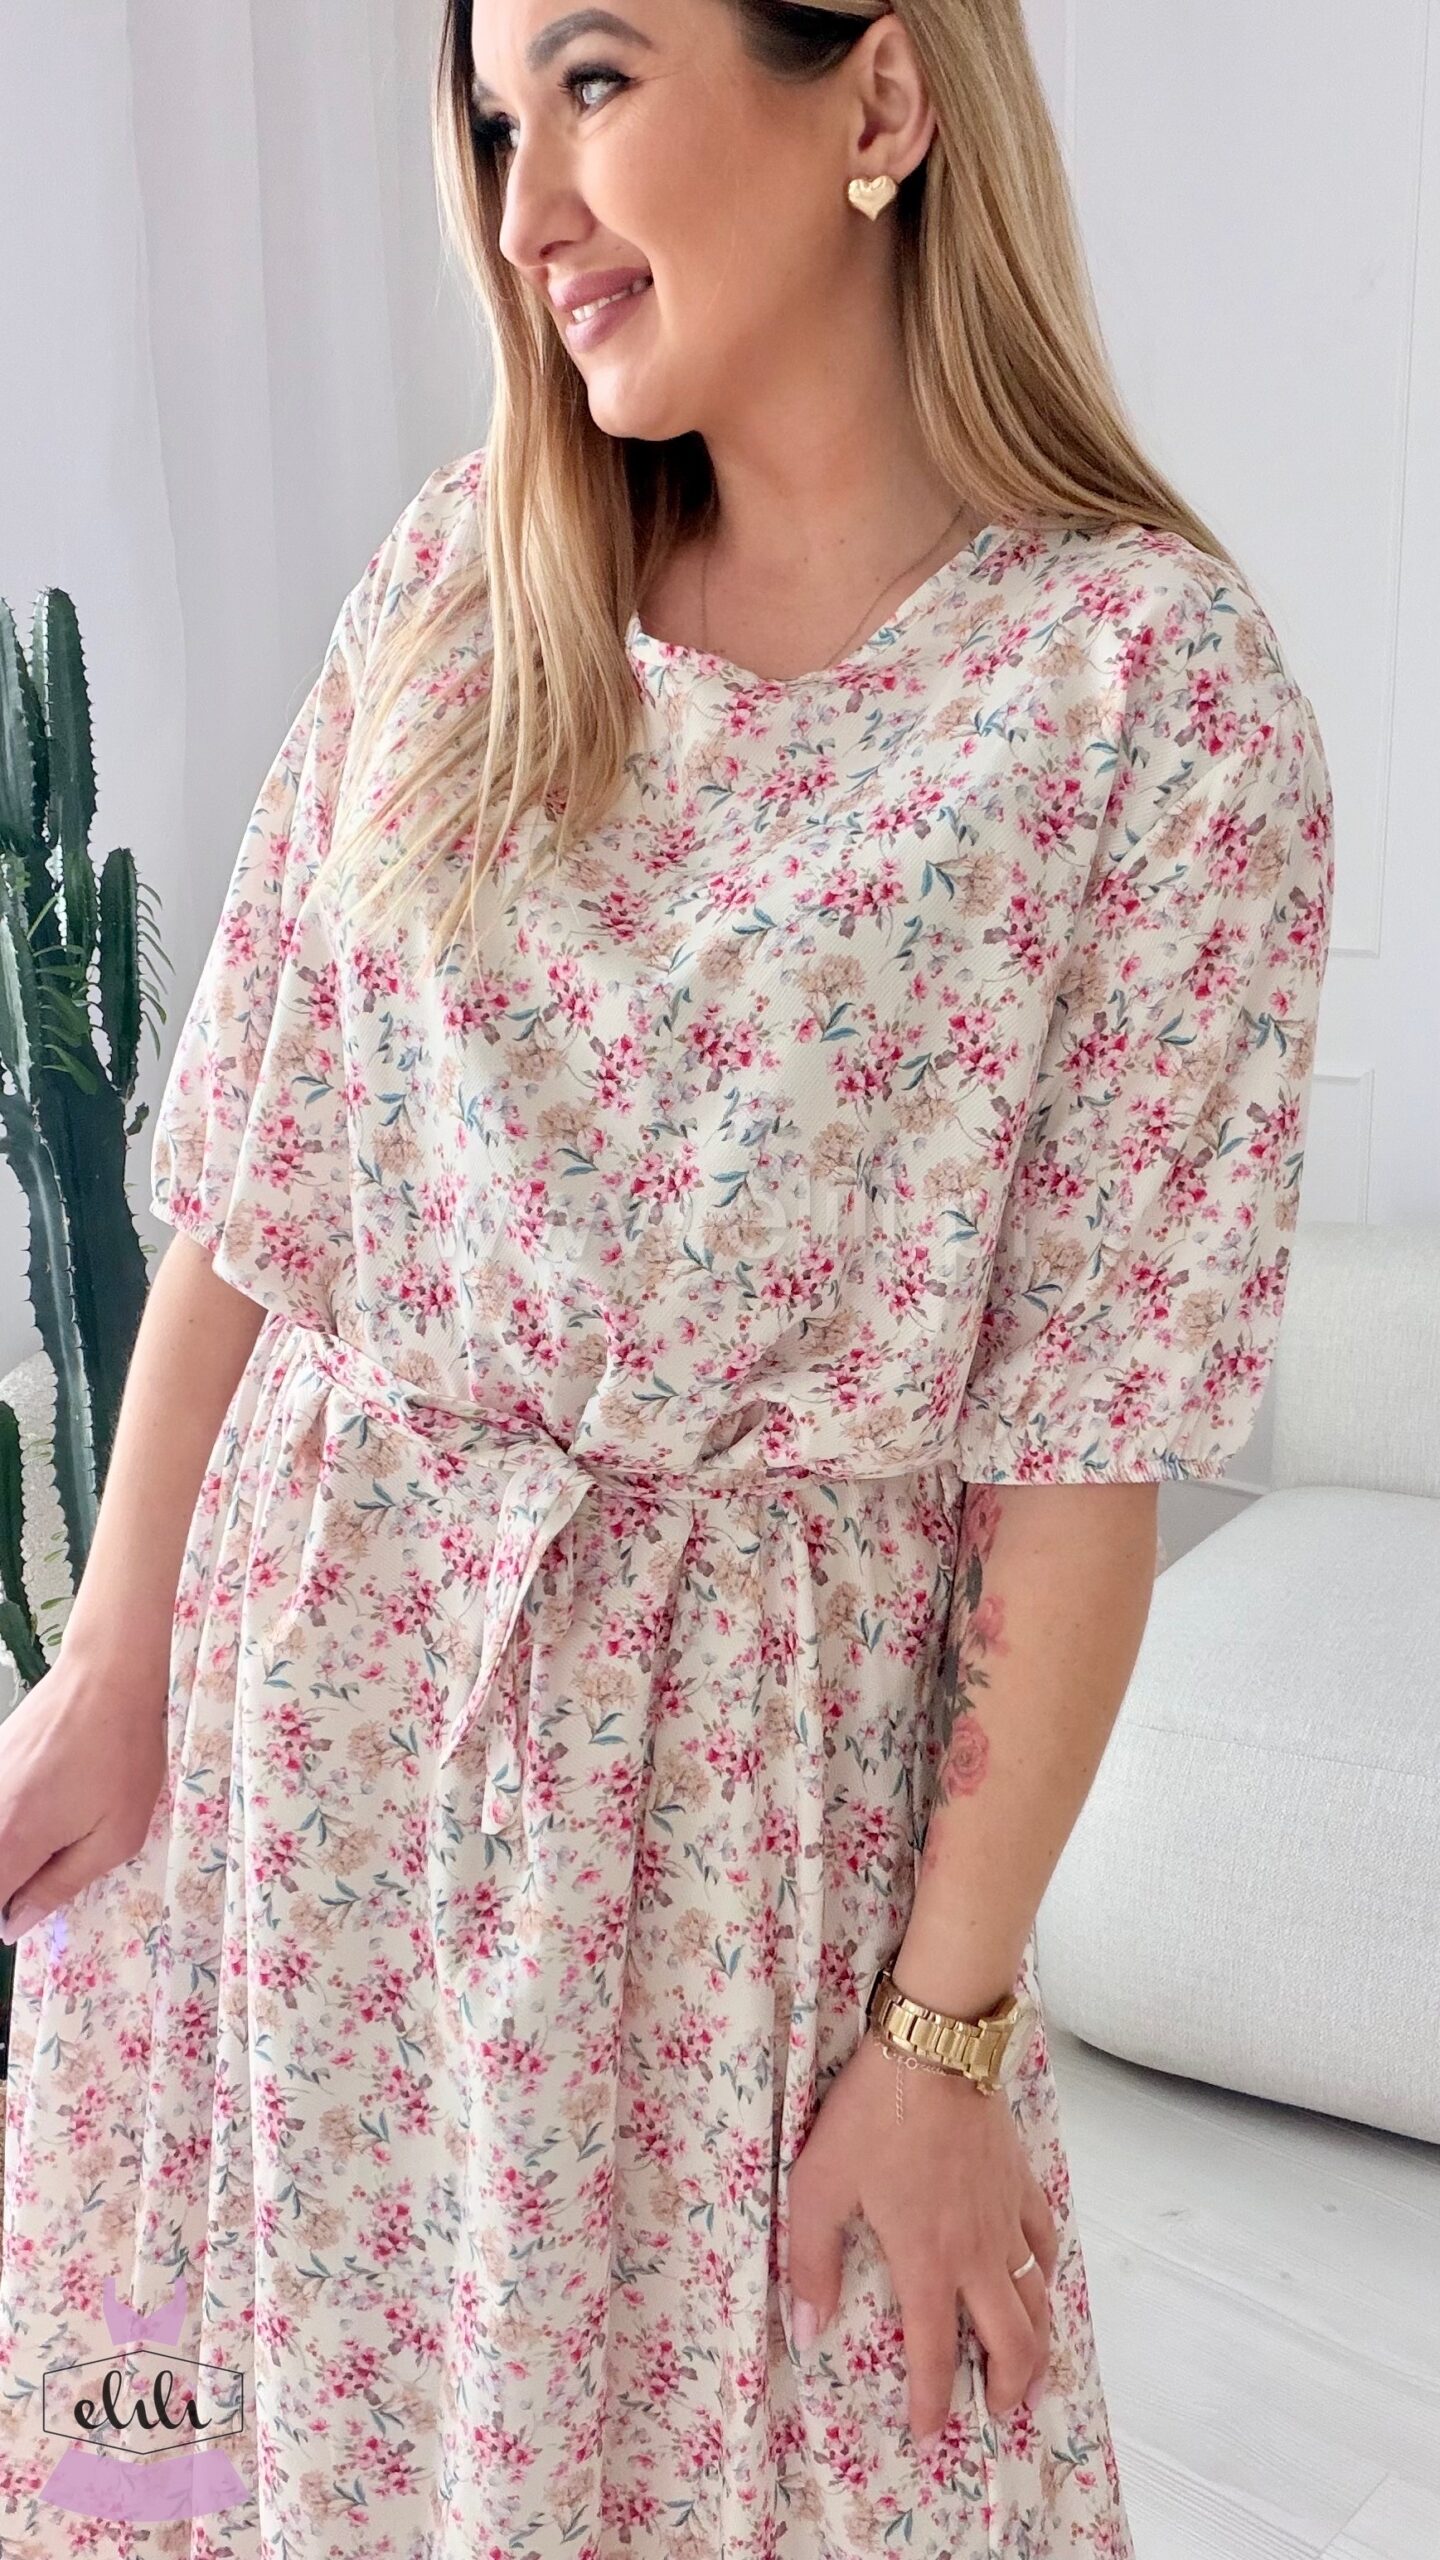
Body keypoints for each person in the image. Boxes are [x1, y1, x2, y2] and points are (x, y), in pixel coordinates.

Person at [0, 2, 1335, 2553]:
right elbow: (260, 1182)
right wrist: (108, 1658)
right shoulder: (461, 578)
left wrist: (944, 2031)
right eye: (496, 124)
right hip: (304, 1785)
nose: (525, 215)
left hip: (737, 1871)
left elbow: (1079, 1456)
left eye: (595, 86)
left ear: (882, 99)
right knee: (262, 2467)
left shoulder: (1139, 697)